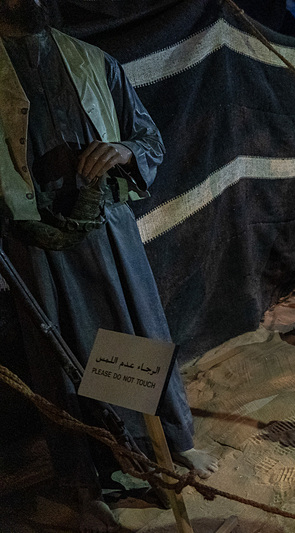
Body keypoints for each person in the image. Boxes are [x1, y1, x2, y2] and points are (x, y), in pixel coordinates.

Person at [0, 1, 217, 530]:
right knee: (63, 357)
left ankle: (169, 446)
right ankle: (83, 481)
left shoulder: (94, 63)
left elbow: (148, 140)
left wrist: (120, 151)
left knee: (136, 331)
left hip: (109, 230)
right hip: (40, 246)